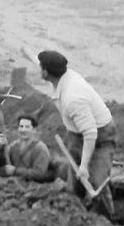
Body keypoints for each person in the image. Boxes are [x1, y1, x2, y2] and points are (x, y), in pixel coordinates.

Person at [38, 50, 116, 217]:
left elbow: (90, 133)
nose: (39, 70)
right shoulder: (63, 75)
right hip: (75, 133)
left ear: (45, 72)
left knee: (96, 182)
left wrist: (83, 166)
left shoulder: (73, 98)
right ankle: (76, 212)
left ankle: (107, 220)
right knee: (74, 183)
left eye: (40, 67)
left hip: (100, 136)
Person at [0, 115, 54, 182]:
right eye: (21, 126)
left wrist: (15, 171)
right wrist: (1, 148)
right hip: (13, 185)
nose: (23, 130)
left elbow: (39, 174)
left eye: (27, 127)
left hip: (33, 187)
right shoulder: (14, 146)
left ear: (34, 130)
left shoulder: (40, 148)